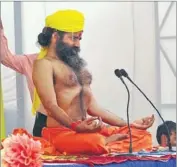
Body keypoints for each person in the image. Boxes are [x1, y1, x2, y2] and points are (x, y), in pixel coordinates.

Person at [31, 9, 155, 155]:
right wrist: (76, 127)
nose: (77, 44)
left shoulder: (77, 67)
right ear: (55, 36)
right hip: (60, 132)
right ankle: (103, 143)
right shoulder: (44, 64)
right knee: (94, 142)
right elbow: (50, 105)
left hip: (85, 130)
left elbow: (94, 107)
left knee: (142, 137)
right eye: (73, 38)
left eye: (79, 39)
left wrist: (129, 124)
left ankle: (105, 144)